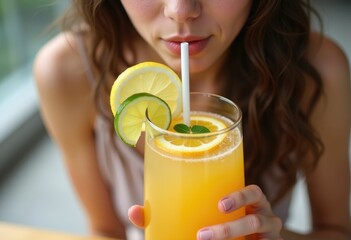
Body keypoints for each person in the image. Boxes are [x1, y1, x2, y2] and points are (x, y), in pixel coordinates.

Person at [33, 0, 351, 239]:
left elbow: (335, 229)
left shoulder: (318, 71)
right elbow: (105, 231)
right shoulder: (66, 73)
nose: (181, 10)